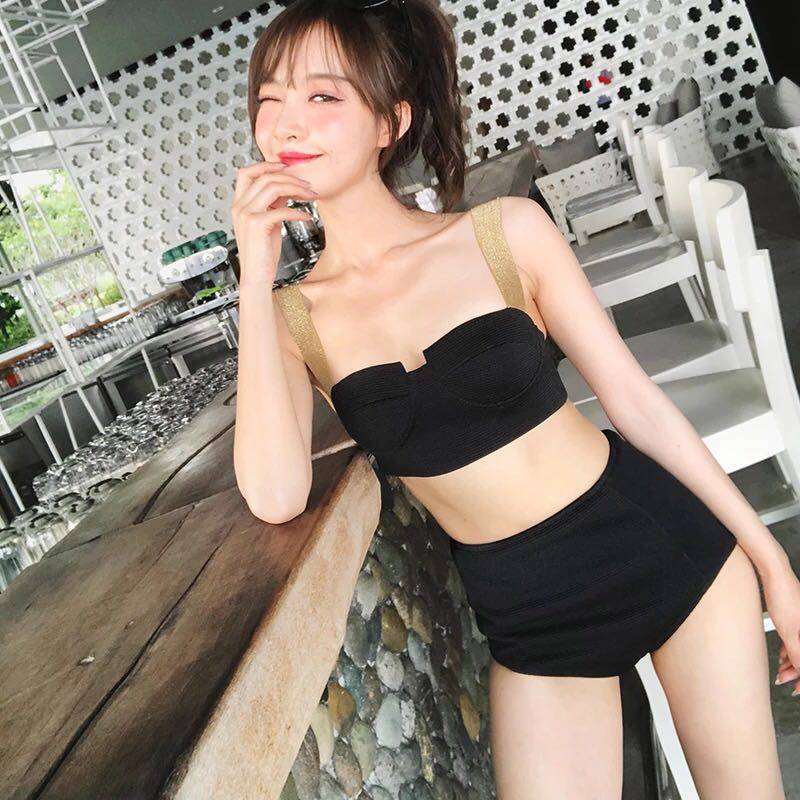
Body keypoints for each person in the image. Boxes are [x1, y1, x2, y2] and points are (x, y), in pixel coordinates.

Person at [231, 1, 798, 796]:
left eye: (323, 95)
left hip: (662, 549)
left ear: (391, 121)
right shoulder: (294, 321)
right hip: (532, 625)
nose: (288, 122)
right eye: (270, 99)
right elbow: (276, 494)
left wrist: (773, 562)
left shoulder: (504, 232)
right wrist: (255, 273)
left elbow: (637, 406)